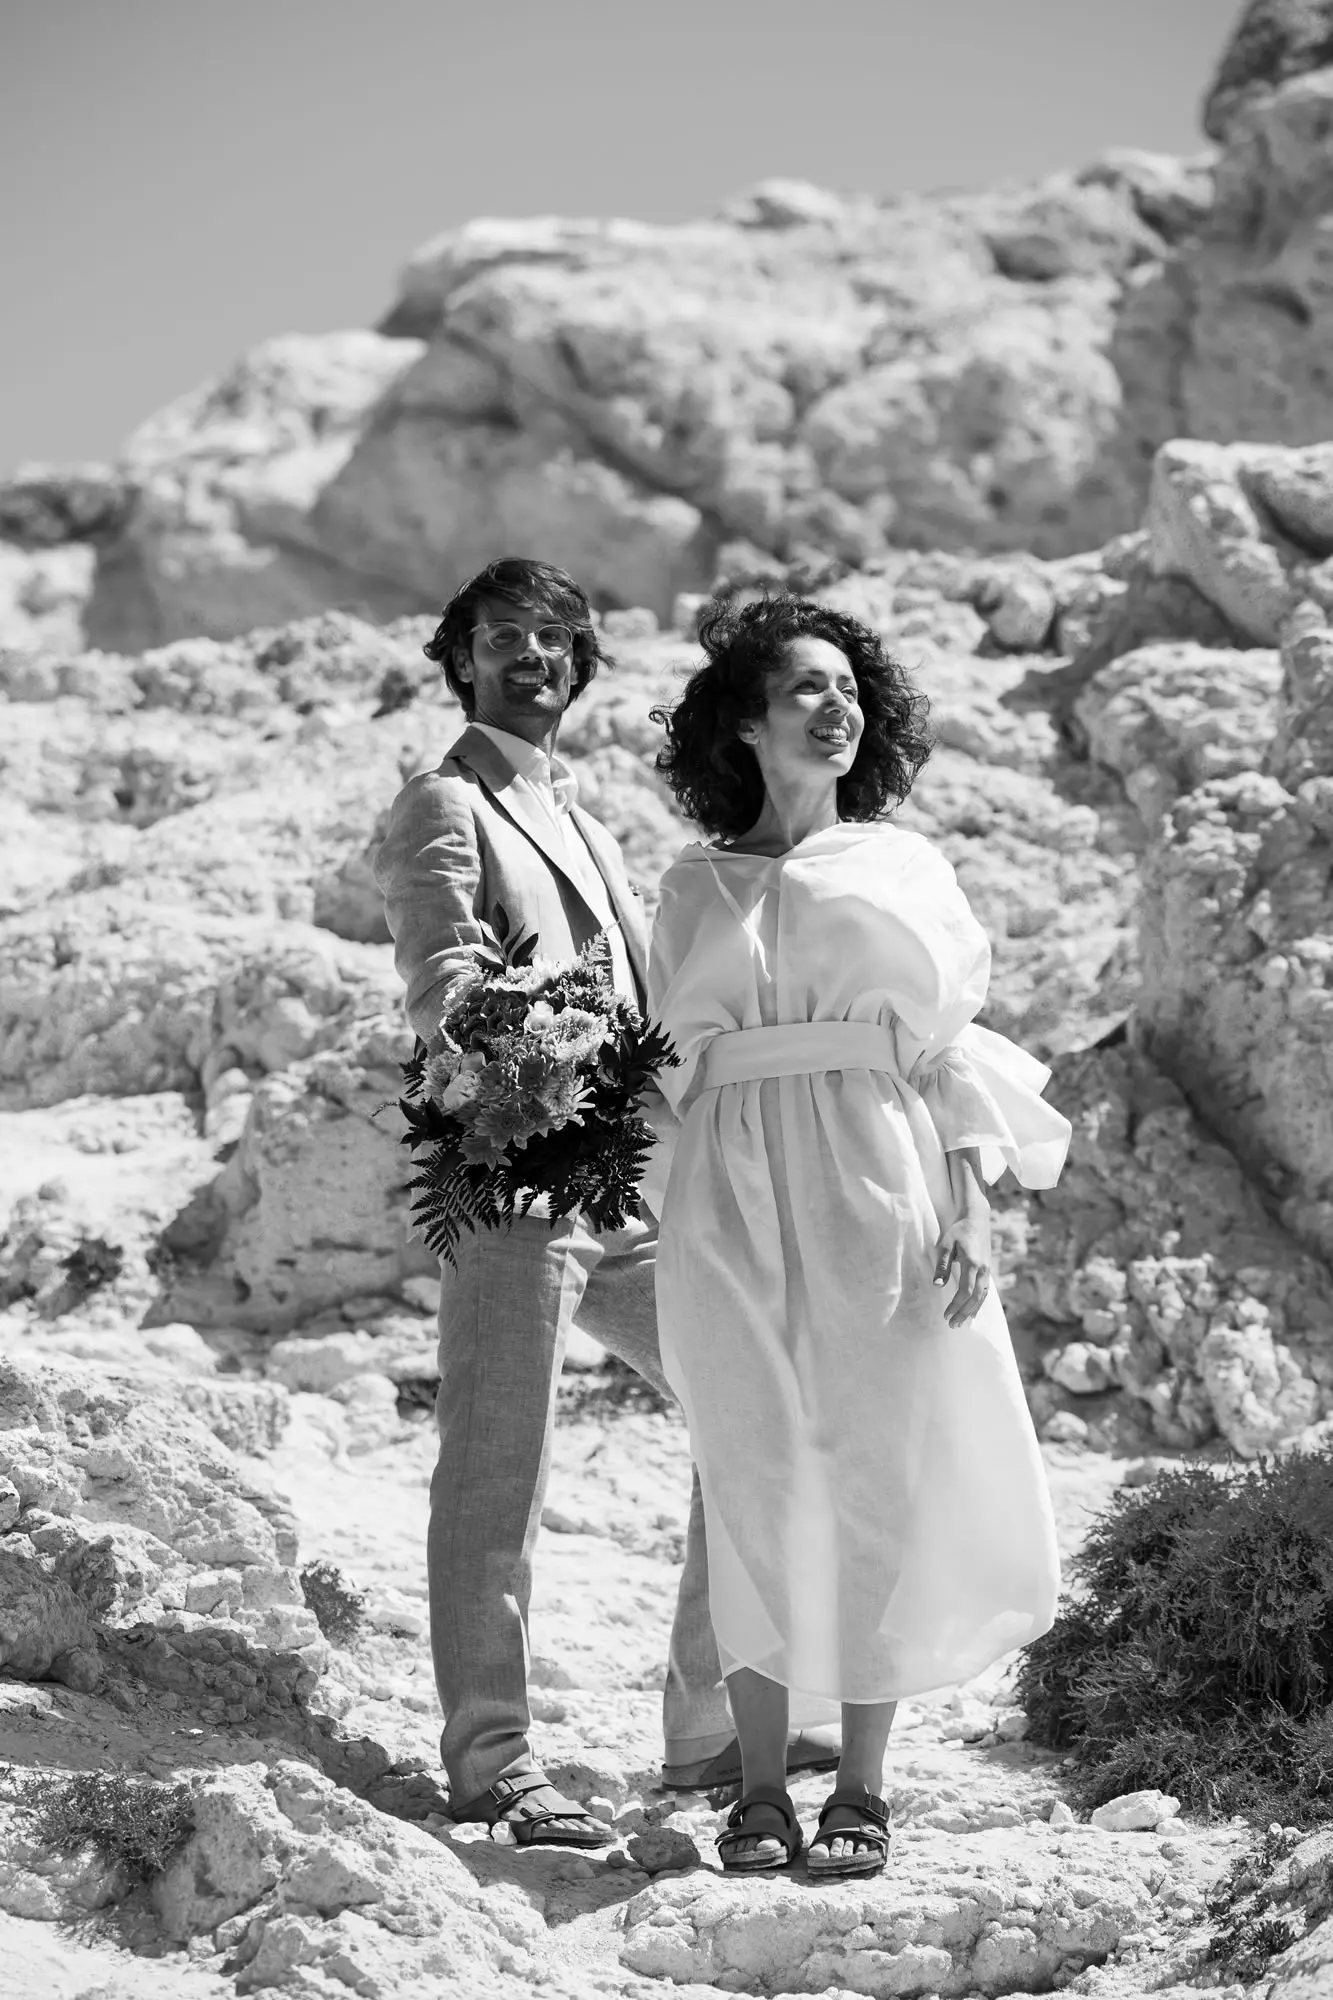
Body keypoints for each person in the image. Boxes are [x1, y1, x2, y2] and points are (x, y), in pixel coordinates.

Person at [372, 558, 839, 1848]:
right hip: (514, 1173)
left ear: (581, 664)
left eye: (556, 637)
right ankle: (493, 1757)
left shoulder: (581, 815)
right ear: (459, 657)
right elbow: (444, 985)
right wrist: (543, 1050)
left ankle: (705, 1717)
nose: (533, 655)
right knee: (498, 1467)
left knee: (752, 1401)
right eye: (503, 635)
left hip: (630, 1185)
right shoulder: (443, 802)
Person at [643, 593, 1072, 1878]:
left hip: (877, 1175)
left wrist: (973, 1203)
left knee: (878, 1467)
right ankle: (757, 1788)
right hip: (724, 1193)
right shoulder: (691, 884)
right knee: (750, 1472)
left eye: (848, 689)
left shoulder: (901, 865)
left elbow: (944, 1053)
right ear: (744, 721)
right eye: (805, 689)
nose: (836, 709)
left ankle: (862, 1787)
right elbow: (667, 1068)